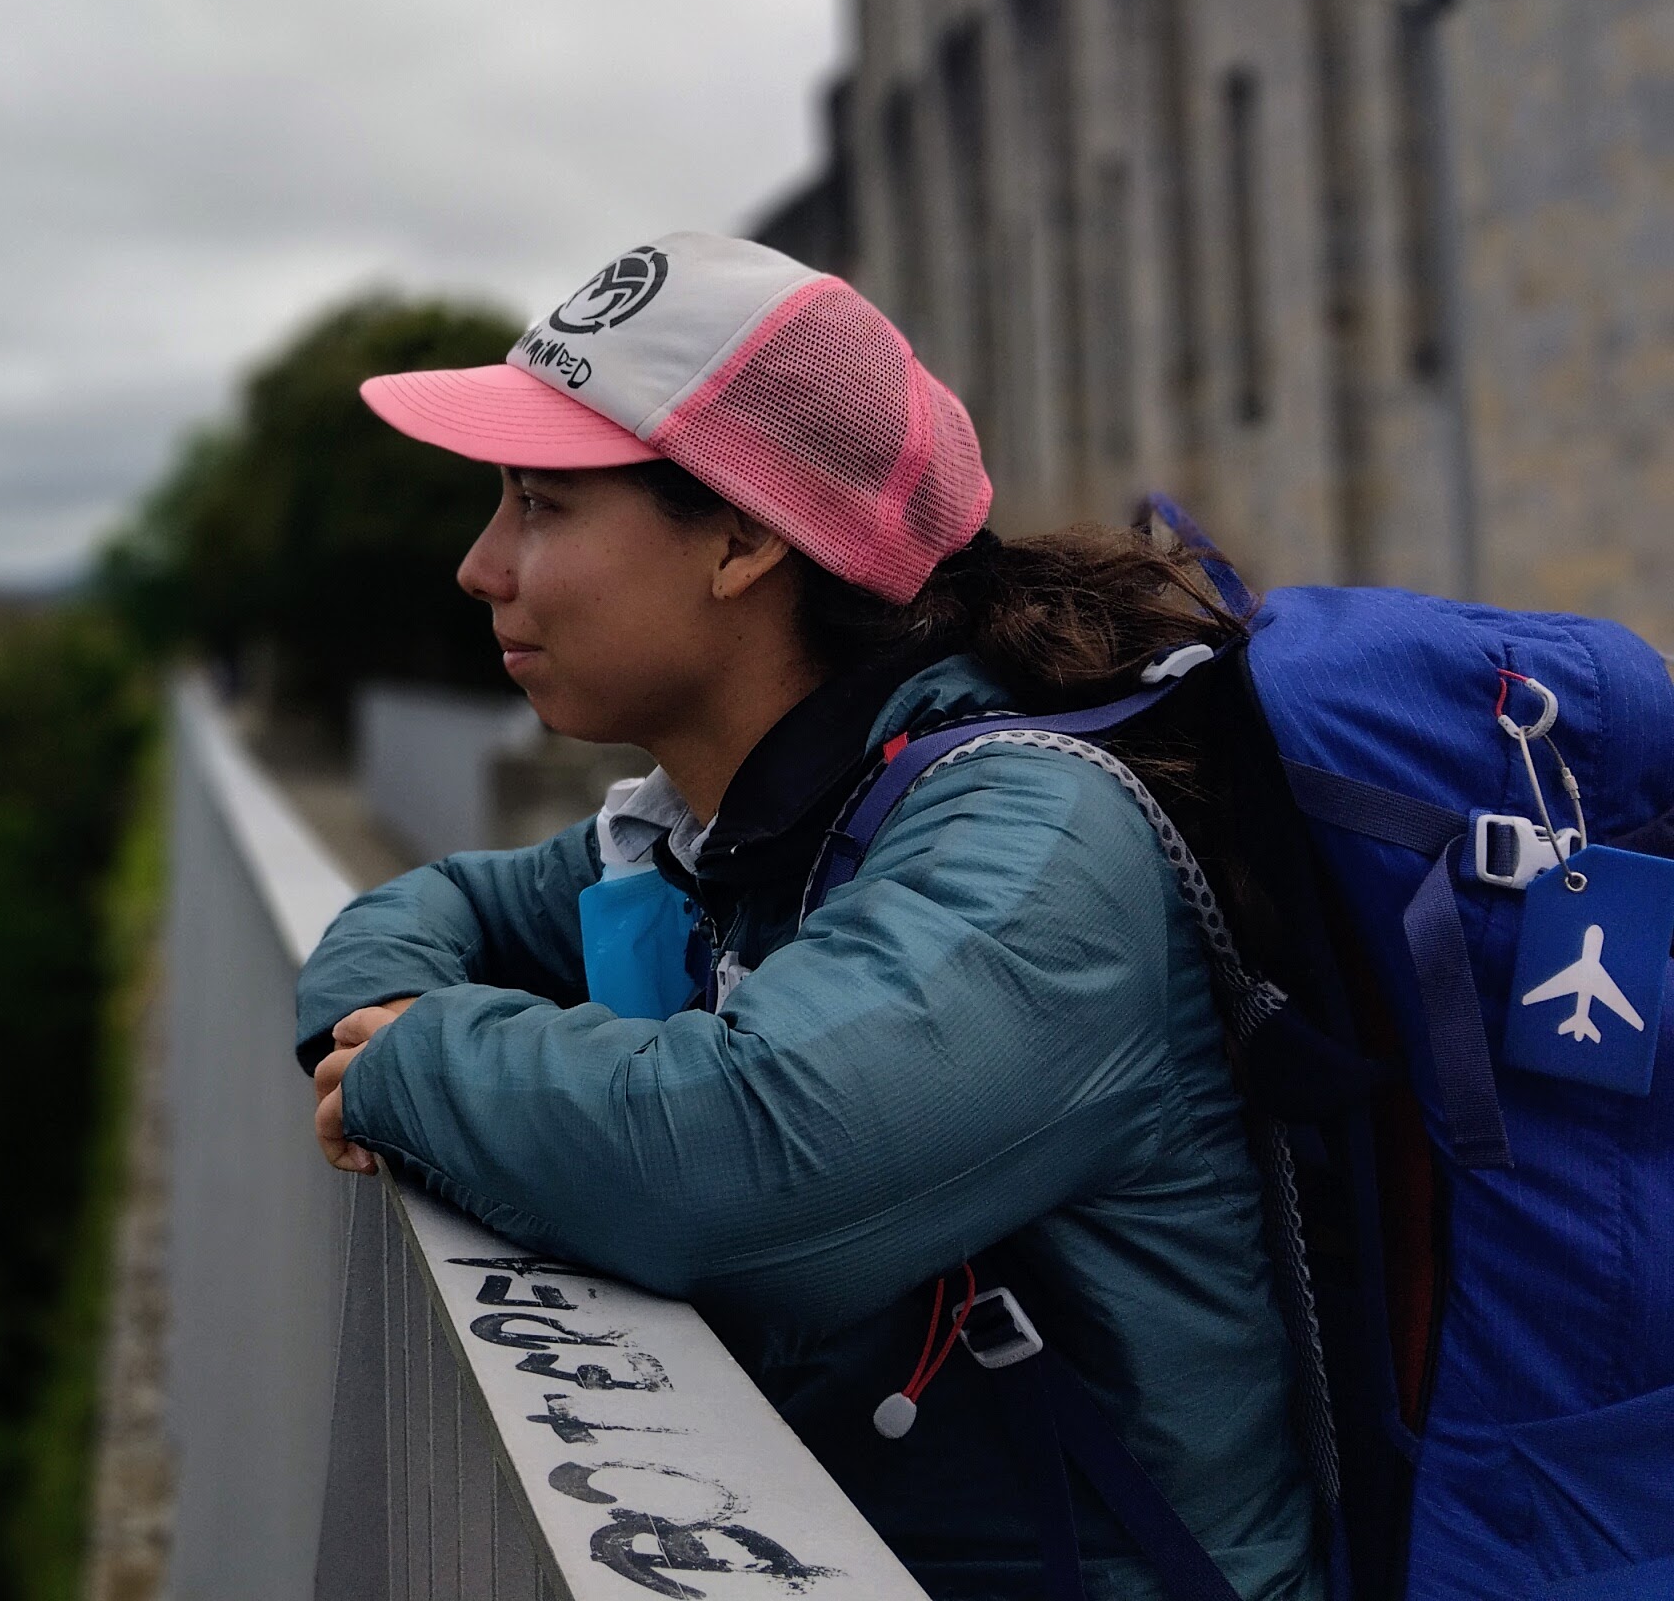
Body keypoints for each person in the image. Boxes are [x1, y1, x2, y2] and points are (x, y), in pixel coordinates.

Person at [297, 231, 1319, 1601]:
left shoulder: (1036, 851)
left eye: (541, 505)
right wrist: (379, 1031)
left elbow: (729, 1162)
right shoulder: (738, 818)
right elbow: (435, 908)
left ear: (742, 538)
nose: (482, 566)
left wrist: (415, 1062)